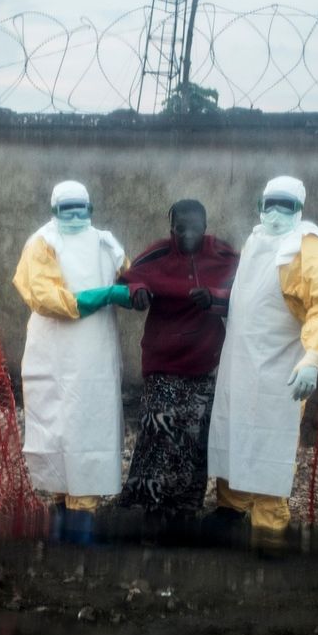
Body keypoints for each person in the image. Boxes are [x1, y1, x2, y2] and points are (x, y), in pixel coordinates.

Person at [207, 176, 318, 550]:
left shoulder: (308, 247)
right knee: (234, 431)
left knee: (269, 443)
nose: (276, 212)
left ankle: (269, 528)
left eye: (285, 205)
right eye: (270, 203)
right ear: (260, 204)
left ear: (300, 208)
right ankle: (230, 508)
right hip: (240, 363)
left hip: (280, 367)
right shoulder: (257, 240)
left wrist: (313, 358)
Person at [13, 180, 133, 543]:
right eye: (68, 209)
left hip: (95, 354)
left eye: (82, 208)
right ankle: (65, 518)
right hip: (53, 353)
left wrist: (137, 287)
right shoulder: (42, 243)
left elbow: (130, 274)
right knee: (56, 429)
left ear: (91, 208)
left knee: (88, 428)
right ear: (54, 210)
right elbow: (47, 298)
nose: (76, 216)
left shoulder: (105, 242)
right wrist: (108, 294)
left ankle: (79, 522)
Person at [117, 200, 239, 540]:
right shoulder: (158, 254)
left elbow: (246, 290)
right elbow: (129, 278)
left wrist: (214, 297)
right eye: (179, 228)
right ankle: (151, 511)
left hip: (202, 363)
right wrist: (138, 291)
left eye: (194, 228)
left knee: (192, 438)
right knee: (158, 436)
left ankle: (185, 510)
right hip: (163, 361)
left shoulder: (224, 255)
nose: (187, 234)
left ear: (206, 226)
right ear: (171, 228)